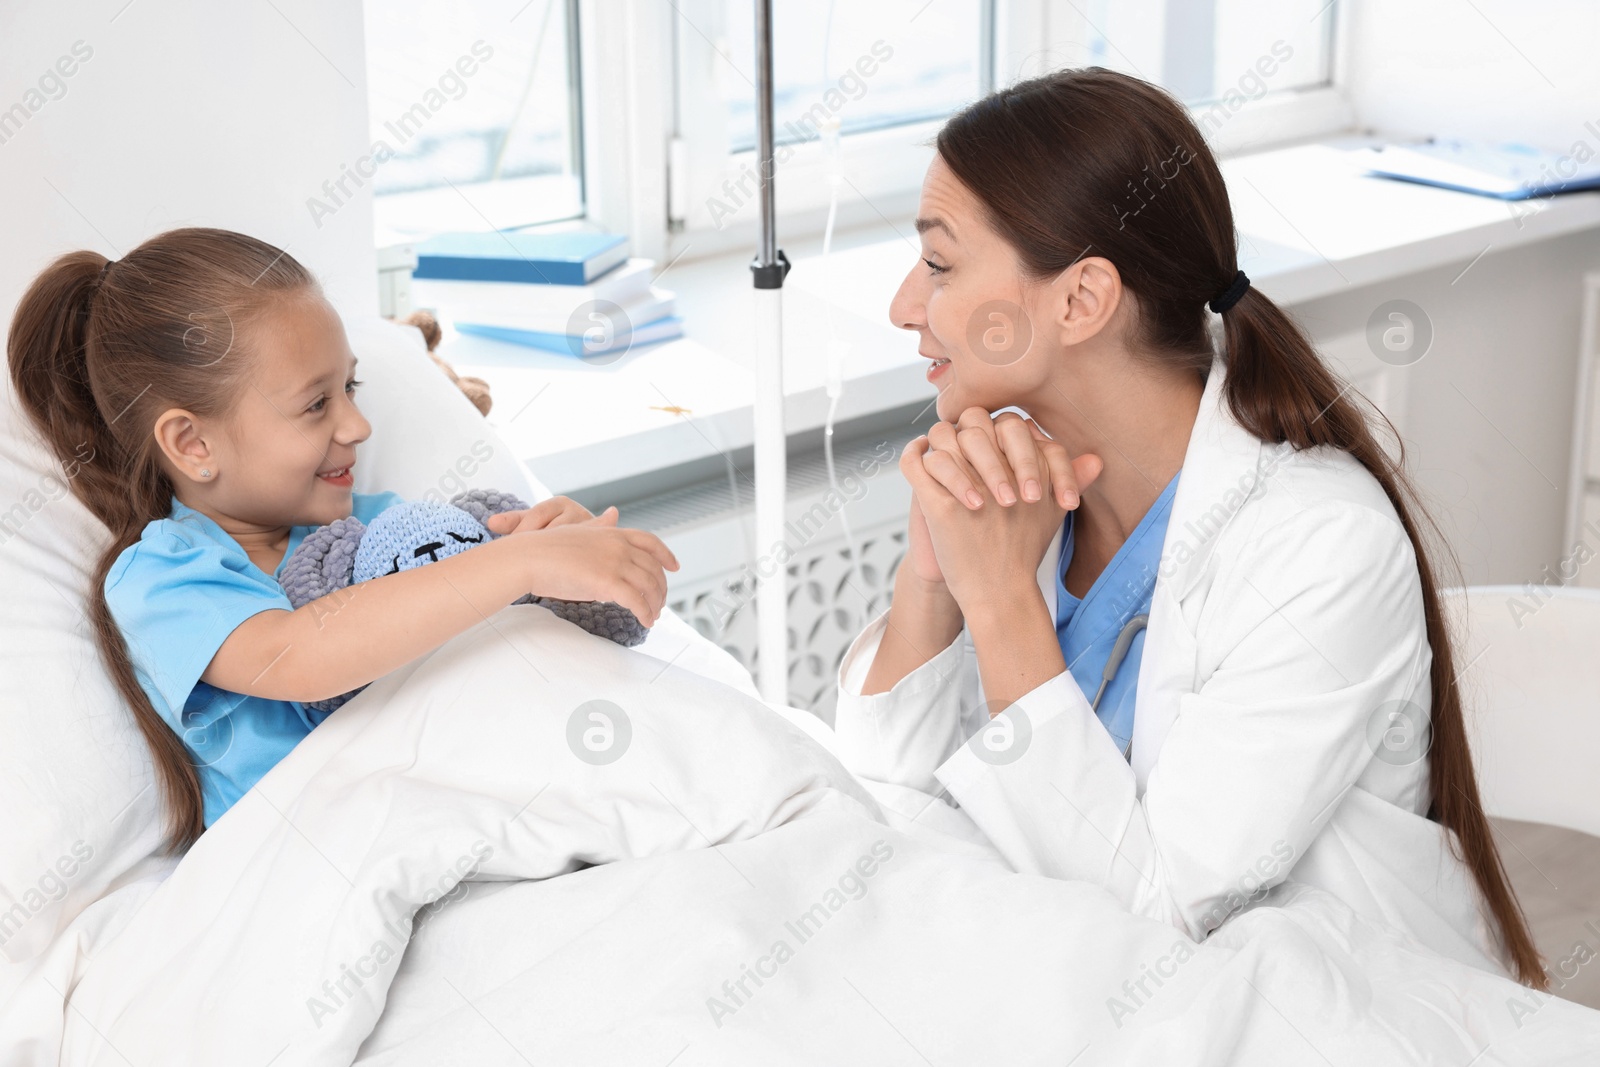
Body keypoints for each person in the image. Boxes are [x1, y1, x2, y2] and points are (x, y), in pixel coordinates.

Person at [829, 68, 1544, 988]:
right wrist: (931, 580)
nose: (903, 307)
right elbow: (886, 798)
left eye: (938, 264)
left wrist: (1003, 603)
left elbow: (1159, 925)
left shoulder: (1319, 547)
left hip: (1312, 1013)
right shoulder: (1024, 489)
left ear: (1081, 300)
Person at [7, 227, 678, 849]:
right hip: (307, 854)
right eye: (316, 403)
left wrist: (557, 570)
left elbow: (467, 628)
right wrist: (517, 563)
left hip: (458, 807)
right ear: (192, 443)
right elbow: (299, 655)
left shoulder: (374, 526)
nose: (357, 425)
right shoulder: (162, 575)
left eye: (350, 386)